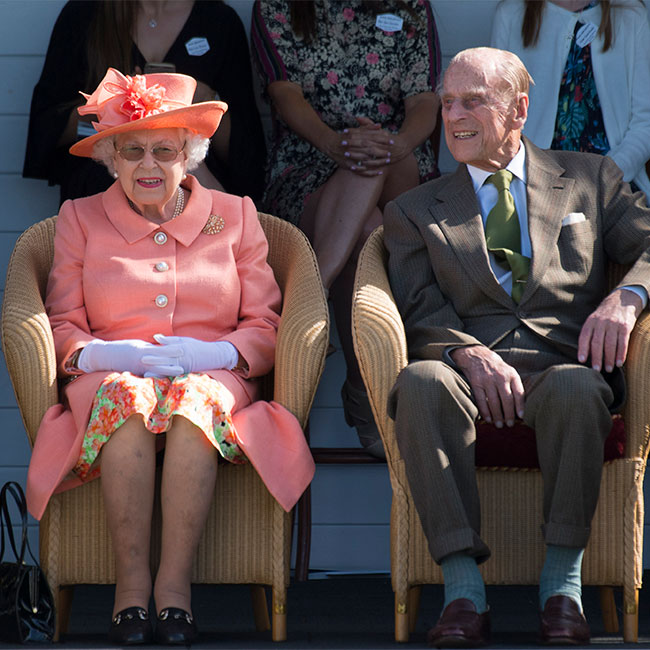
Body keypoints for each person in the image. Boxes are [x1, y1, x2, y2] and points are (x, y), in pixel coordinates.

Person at [24, 68, 314, 646]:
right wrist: (103, 353)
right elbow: (59, 325)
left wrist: (216, 351)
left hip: (214, 379)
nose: (148, 165)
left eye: (165, 150)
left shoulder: (236, 218)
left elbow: (265, 322)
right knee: (126, 398)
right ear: (110, 157)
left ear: (191, 154)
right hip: (109, 379)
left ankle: (174, 593)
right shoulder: (80, 221)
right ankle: (131, 592)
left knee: (194, 399)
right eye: (131, 151)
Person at [383, 47, 650, 647]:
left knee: (582, 386)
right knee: (421, 382)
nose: (453, 115)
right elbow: (420, 309)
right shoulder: (413, 210)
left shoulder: (590, 177)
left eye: (472, 100)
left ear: (518, 109)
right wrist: (469, 356)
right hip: (465, 374)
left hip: (565, 367)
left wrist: (626, 297)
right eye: (448, 101)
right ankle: (461, 594)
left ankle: (563, 589)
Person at [251, 0, 441, 457]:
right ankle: (366, 393)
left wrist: (392, 144)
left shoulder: (409, 5)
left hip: (400, 163)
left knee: (371, 161)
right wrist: (336, 143)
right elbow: (283, 94)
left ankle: (306, 304)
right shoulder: (278, 6)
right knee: (367, 224)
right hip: (309, 164)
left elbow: (424, 102)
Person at [23, 0, 266, 203]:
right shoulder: (84, 15)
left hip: (191, 189)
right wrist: (111, 106)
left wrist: (204, 102)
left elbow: (247, 156)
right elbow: (45, 131)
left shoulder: (220, 21)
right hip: (102, 190)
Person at [491, 0, 650, 197]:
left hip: (616, 185)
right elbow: (499, 116)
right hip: (534, 186)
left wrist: (609, 174)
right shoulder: (512, 13)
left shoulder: (630, 14)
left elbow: (645, 120)